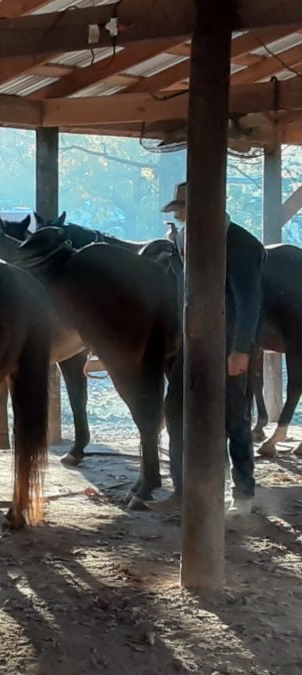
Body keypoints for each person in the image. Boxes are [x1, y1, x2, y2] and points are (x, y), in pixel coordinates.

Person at [161, 181, 265, 514]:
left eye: (184, 209)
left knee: (234, 418)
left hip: (227, 341)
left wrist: (241, 349)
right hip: (192, 340)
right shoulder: (183, 238)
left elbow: (249, 301)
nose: (179, 215)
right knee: (174, 409)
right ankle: (184, 489)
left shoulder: (241, 244)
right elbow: (184, 285)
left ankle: (244, 493)